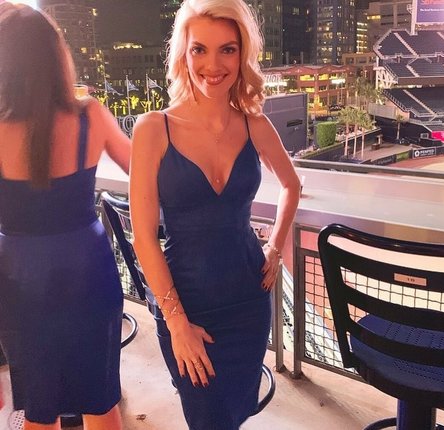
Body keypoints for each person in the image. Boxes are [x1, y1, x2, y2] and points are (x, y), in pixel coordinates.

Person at [129, 0, 300, 428]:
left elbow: (292, 186)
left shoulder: (255, 125)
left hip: (249, 300)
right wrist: (177, 323)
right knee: (206, 416)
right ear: (183, 55)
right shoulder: (153, 129)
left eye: (227, 49)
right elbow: (143, 237)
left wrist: (275, 247)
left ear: (242, 55)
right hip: (186, 304)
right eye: (199, 49)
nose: (213, 64)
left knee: (236, 412)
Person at [0, 4, 131, 430]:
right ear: (57, 57)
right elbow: (146, 172)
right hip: (87, 272)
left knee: (39, 411)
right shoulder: (90, 114)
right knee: (101, 403)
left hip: (19, 280)